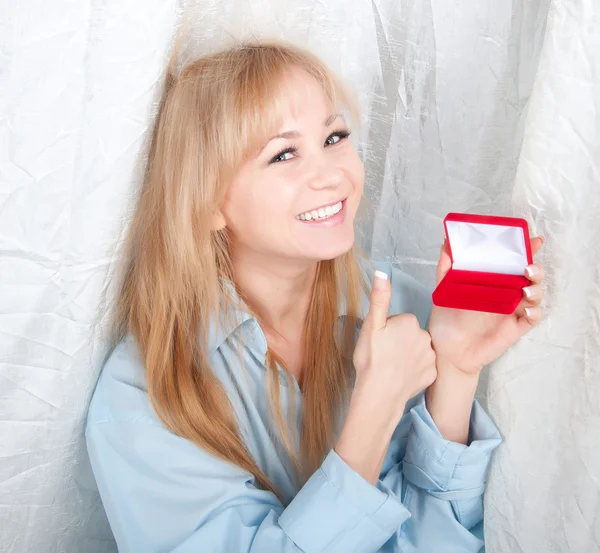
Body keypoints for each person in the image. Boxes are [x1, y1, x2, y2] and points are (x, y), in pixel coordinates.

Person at [85, 41, 546, 553]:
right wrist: (375, 410)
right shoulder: (148, 392)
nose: (331, 174)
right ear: (208, 202)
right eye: (283, 153)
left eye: (334, 136)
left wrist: (455, 375)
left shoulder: (406, 313)